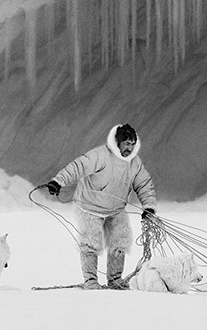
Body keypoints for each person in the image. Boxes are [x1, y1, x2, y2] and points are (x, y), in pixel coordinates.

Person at [45, 123, 156, 290]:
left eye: (132, 144)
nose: (130, 148)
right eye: (126, 143)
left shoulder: (135, 163)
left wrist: (148, 206)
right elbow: (78, 167)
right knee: (91, 243)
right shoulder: (99, 155)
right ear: (118, 142)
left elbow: (144, 184)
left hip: (116, 209)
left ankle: (115, 280)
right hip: (89, 207)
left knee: (120, 241)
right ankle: (90, 281)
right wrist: (58, 182)